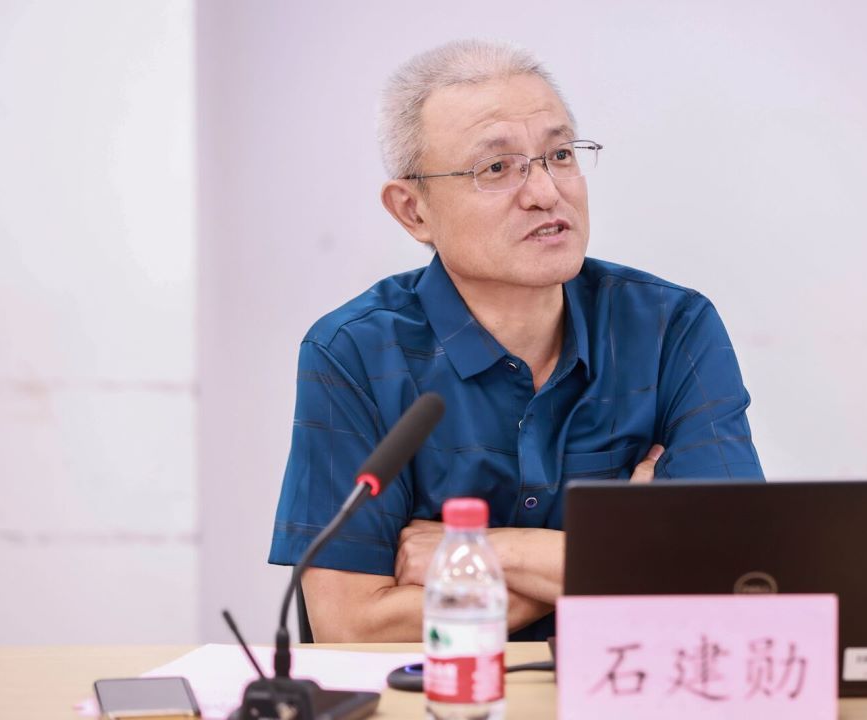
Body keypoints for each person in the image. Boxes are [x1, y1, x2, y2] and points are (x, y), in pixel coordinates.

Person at [268, 39, 764, 643]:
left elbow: (732, 581)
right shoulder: (355, 352)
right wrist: (621, 561)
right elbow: (350, 625)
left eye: (560, 155)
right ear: (413, 210)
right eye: (497, 169)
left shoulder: (670, 328)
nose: (546, 192)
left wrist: (485, 552)